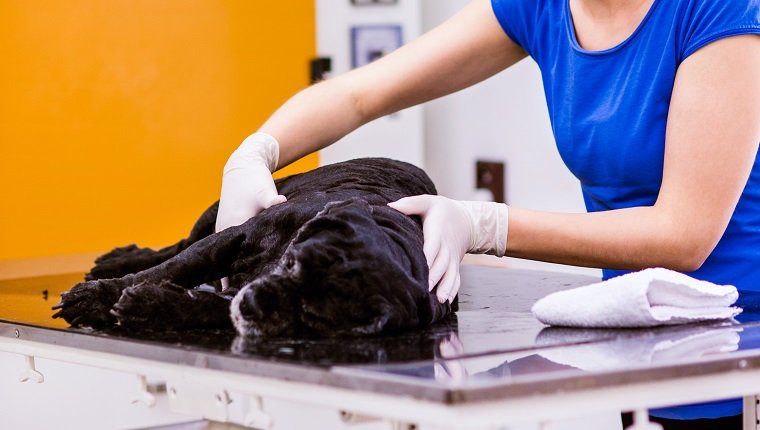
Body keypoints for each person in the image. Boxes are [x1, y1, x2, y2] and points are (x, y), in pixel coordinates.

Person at [216, 0, 760, 427]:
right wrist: (256, 151)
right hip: (643, 342)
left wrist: (486, 226)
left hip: (739, 351)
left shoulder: (721, 8)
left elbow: (684, 234)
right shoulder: (543, 8)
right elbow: (361, 93)